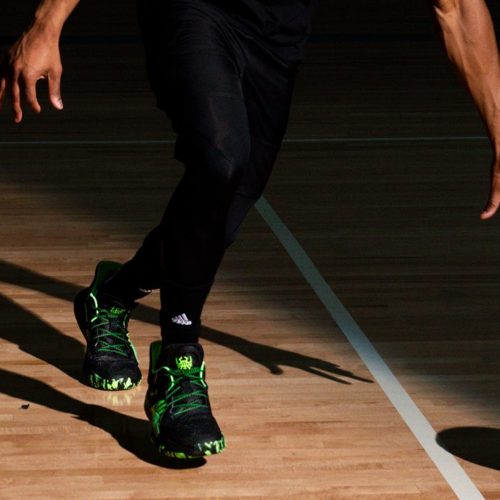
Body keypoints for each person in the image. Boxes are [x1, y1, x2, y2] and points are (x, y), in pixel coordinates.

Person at [0, 0, 499, 460]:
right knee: (220, 160)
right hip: (191, 7)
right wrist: (48, 21)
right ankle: (178, 367)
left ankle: (112, 295)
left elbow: (456, 8)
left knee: (223, 213)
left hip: (275, 34)